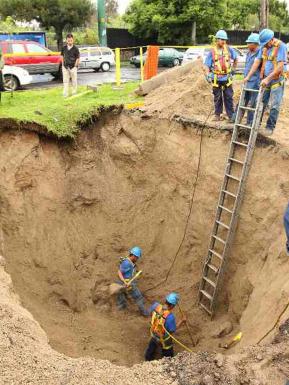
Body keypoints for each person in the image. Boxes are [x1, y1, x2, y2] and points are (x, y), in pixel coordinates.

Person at [244, 29, 287, 136]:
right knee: (261, 102)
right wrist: (248, 77)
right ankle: (257, 123)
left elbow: (280, 66)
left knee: (274, 104)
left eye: (265, 43)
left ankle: (270, 127)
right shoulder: (264, 47)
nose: (264, 46)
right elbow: (257, 61)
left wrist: (268, 79)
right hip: (266, 79)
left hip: (277, 79)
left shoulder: (281, 46)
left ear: (271, 40)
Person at [204, 29, 238, 122]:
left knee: (229, 97)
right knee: (217, 97)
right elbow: (206, 65)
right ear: (217, 40)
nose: (223, 41)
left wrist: (233, 69)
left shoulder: (229, 49)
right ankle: (217, 115)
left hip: (227, 78)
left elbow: (236, 59)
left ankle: (231, 116)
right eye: (221, 39)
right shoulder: (212, 52)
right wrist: (207, 74)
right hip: (216, 78)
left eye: (224, 40)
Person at [145, 292, 186, 361]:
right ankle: (167, 360)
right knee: (168, 350)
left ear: (166, 300)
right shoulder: (170, 317)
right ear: (173, 306)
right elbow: (172, 330)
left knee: (152, 346)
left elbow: (150, 313)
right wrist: (182, 321)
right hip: (163, 338)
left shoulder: (156, 305)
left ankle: (148, 358)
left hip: (154, 332)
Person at [232, 33, 261, 126]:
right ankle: (236, 118)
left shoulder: (260, 53)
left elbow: (258, 67)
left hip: (255, 82)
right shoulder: (248, 53)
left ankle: (250, 122)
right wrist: (245, 77)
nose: (247, 45)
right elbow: (247, 66)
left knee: (252, 103)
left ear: (255, 44)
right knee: (242, 100)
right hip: (247, 81)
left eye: (249, 43)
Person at [116, 246, 148, 316]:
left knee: (121, 296)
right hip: (128, 284)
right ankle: (145, 313)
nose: (137, 259)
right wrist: (124, 281)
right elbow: (119, 272)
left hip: (127, 282)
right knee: (138, 297)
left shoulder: (129, 262)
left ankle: (121, 309)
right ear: (133, 255)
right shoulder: (126, 263)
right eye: (137, 257)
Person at [61, 33, 80, 98]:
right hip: (65, 67)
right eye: (68, 40)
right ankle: (65, 93)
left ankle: (74, 92)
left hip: (73, 67)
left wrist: (75, 66)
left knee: (74, 80)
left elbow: (78, 58)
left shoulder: (75, 49)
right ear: (66, 40)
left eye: (71, 40)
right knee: (65, 81)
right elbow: (62, 56)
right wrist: (63, 65)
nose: (70, 42)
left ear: (73, 40)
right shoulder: (63, 48)